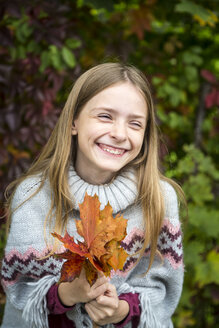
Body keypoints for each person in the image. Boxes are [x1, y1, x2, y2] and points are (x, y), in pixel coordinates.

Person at [1, 63, 184, 328]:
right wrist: (68, 294)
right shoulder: (34, 196)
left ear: (145, 135)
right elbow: (20, 289)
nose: (119, 134)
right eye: (105, 117)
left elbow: (161, 289)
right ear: (74, 122)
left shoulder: (158, 198)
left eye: (135, 123)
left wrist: (121, 311)